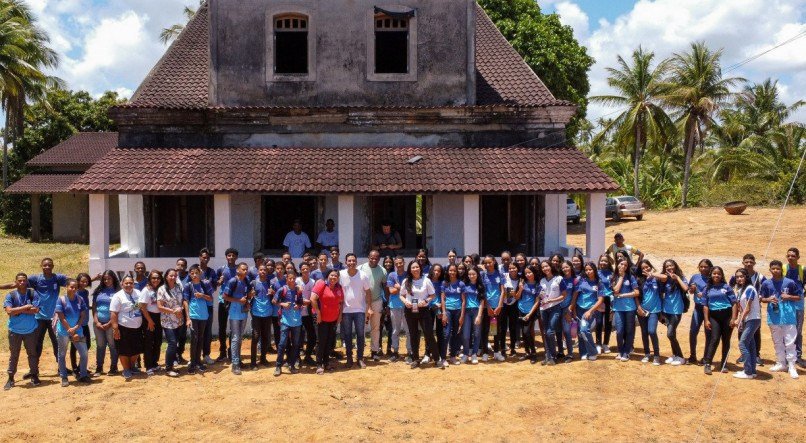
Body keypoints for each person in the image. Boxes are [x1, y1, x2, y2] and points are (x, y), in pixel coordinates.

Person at [0, 258, 68, 376]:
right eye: (45, 265)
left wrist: (92, 279)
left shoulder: (58, 278)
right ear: (41, 266)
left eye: (49, 265)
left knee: (57, 344)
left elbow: (76, 282)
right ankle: (33, 371)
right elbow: (14, 284)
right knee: (36, 345)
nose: (47, 267)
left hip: (54, 318)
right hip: (39, 317)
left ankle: (61, 368)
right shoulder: (35, 279)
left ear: (53, 266)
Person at [760, 260, 801, 379]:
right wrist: (769, 299)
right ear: (770, 270)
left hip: (788, 315)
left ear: (781, 270)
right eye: (773, 268)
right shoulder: (766, 283)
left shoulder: (790, 282)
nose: (775, 270)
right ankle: (781, 363)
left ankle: (792, 365)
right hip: (774, 314)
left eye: (777, 268)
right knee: (777, 340)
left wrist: (788, 296)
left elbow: (798, 296)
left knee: (790, 341)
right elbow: (762, 298)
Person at [399, 261, 441, 369]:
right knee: (413, 335)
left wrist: (426, 301)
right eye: (413, 267)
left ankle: (437, 359)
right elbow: (401, 295)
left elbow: (432, 294)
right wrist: (405, 302)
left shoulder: (426, 280)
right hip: (410, 310)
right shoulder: (406, 281)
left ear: (420, 268)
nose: (415, 269)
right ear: (410, 269)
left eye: (417, 267)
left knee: (429, 334)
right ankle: (415, 359)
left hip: (423, 310)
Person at [4, 273, 41, 390]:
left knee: (32, 354)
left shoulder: (32, 293)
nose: (22, 283)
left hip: (30, 330)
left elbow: (36, 310)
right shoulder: (11, 295)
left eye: (24, 280)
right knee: (14, 355)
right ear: (15, 282)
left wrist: (18, 310)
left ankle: (34, 375)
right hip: (15, 330)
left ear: (27, 281)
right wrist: (26, 307)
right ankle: (10, 378)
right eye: (19, 281)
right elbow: (9, 311)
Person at [729, 254, 765, 366]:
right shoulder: (736, 276)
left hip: (752, 309)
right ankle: (744, 354)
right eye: (746, 262)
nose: (748, 264)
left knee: (755, 332)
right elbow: (729, 288)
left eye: (751, 262)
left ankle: (756, 355)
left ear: (754, 263)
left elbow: (766, 288)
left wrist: (761, 297)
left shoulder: (760, 277)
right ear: (743, 262)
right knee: (742, 331)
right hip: (741, 307)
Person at [702, 266, 738, 375]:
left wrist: (733, 318)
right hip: (714, 316)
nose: (716, 275)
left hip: (726, 314)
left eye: (718, 274)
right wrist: (706, 320)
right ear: (711, 275)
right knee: (715, 338)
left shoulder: (726, 287)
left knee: (726, 340)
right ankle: (708, 363)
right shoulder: (707, 289)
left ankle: (724, 364)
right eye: (714, 273)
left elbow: (734, 303)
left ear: (721, 275)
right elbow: (705, 306)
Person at [339, 253, 373, 368]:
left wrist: (369, 308)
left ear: (356, 262)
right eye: (349, 261)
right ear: (345, 262)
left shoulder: (363, 275)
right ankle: (349, 358)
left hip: (360, 310)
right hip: (346, 310)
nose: (351, 263)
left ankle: (360, 358)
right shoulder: (341, 275)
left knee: (360, 335)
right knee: (347, 335)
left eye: (353, 261)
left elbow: (368, 292)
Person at [55, 279, 90, 386]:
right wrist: (70, 330)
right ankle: (64, 377)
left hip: (77, 330)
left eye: (75, 287)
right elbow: (61, 317)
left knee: (84, 353)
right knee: (62, 354)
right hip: (63, 331)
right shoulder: (61, 300)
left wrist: (76, 328)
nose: (73, 289)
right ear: (66, 287)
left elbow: (83, 315)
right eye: (71, 287)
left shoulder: (80, 299)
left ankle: (83, 375)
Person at [110, 276, 143, 381]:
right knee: (124, 350)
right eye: (126, 283)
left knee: (136, 349)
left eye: (131, 283)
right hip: (123, 327)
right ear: (122, 284)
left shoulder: (138, 293)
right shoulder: (118, 296)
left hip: (137, 327)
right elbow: (114, 313)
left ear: (133, 284)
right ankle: (126, 369)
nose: (129, 285)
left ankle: (132, 367)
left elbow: (143, 306)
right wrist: (115, 329)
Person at [311, 269, 344, 374]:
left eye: (336, 276)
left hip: (333, 319)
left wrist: (340, 316)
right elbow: (313, 299)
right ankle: (319, 364)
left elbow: (341, 303)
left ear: (338, 278)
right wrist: (318, 314)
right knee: (321, 341)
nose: (333, 277)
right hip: (321, 319)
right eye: (331, 275)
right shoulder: (321, 284)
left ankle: (326, 362)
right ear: (327, 276)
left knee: (329, 341)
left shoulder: (339, 287)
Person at [273, 269, 304, 376]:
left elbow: (301, 302)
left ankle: (291, 364)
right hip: (285, 321)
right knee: (282, 343)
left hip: (297, 321)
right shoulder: (282, 289)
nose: (292, 280)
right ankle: (278, 365)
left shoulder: (298, 290)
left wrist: (298, 305)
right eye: (290, 278)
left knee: (296, 344)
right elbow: (274, 301)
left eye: (294, 278)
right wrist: (283, 304)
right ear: (287, 279)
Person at [183, 265, 213, 374]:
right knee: (194, 338)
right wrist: (188, 318)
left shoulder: (205, 284)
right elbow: (185, 301)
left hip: (204, 315)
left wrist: (202, 295)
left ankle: (198, 361)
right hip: (193, 316)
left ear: (200, 273)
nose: (194, 275)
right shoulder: (188, 286)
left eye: (196, 273)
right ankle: (192, 362)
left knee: (201, 338)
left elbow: (210, 298)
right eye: (192, 273)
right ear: (189, 274)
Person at [223, 262, 252, 375]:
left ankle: (238, 360)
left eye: (246, 269)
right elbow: (224, 296)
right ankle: (235, 363)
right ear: (238, 270)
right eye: (243, 269)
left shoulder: (246, 280)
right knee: (235, 337)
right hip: (234, 312)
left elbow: (248, 294)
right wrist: (238, 301)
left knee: (240, 337)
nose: (245, 271)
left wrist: (249, 299)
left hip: (243, 312)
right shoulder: (232, 281)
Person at [572, 262, 604, 361]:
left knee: (584, 330)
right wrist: (573, 309)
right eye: (586, 270)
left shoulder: (599, 283)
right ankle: (583, 352)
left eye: (590, 269)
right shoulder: (581, 281)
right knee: (580, 332)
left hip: (591, 310)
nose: (588, 271)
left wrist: (590, 311)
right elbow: (575, 295)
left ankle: (592, 352)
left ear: (594, 270)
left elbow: (600, 300)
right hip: (579, 309)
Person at [359, 250, 387, 362]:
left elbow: (385, 288)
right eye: (372, 258)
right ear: (368, 257)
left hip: (376, 301)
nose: (373, 260)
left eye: (376, 258)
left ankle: (374, 351)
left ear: (379, 259)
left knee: (375, 328)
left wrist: (386, 303)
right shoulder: (360, 268)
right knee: (362, 328)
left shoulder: (383, 271)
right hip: (362, 302)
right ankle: (360, 351)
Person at [157, 269, 185, 377]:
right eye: (171, 276)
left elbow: (183, 302)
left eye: (174, 276)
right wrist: (174, 311)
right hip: (167, 320)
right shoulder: (162, 289)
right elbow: (160, 307)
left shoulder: (179, 288)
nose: (173, 277)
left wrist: (181, 309)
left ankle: (172, 365)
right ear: (166, 277)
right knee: (172, 343)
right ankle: (168, 368)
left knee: (176, 342)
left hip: (178, 320)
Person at [659, 259, 688, 366]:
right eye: (667, 266)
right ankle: (675, 355)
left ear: (675, 266)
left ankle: (681, 356)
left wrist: (677, 278)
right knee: (672, 334)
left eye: (671, 265)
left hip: (677, 310)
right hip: (666, 310)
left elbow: (686, 288)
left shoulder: (681, 277)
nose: (669, 268)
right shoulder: (665, 279)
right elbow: (661, 293)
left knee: (670, 334)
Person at [734, 269, 761, 379]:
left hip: (752, 319)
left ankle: (748, 371)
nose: (739, 279)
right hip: (749, 319)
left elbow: (748, 308)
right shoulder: (741, 290)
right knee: (750, 344)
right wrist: (741, 319)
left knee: (743, 344)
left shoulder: (750, 288)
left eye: (741, 276)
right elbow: (741, 308)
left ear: (746, 277)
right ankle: (753, 371)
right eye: (737, 277)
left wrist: (740, 320)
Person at [91, 270, 120, 376]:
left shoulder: (118, 292)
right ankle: (99, 368)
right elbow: (94, 308)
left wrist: (110, 323)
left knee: (112, 345)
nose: (107, 281)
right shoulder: (98, 291)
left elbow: (118, 310)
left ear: (114, 279)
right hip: (98, 323)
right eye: (105, 279)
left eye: (109, 279)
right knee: (100, 345)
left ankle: (114, 367)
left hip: (111, 323)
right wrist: (96, 321)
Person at [611, 259, 639, 362]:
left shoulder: (631, 277)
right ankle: (620, 351)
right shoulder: (613, 277)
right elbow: (616, 290)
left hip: (630, 308)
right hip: (618, 308)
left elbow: (636, 292)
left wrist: (622, 295)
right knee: (619, 331)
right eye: (621, 264)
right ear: (617, 264)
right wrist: (621, 277)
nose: (623, 266)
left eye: (626, 265)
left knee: (629, 330)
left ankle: (626, 352)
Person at [636, 260, 663, 365]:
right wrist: (639, 308)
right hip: (642, 310)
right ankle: (647, 353)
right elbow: (636, 296)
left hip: (654, 310)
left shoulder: (657, 279)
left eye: (647, 267)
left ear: (651, 267)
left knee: (652, 331)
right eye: (643, 268)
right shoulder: (639, 280)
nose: (645, 269)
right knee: (644, 332)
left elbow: (665, 277)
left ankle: (656, 355)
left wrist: (653, 274)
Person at [688, 259, 714, 365]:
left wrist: (704, 295)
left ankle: (706, 358)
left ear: (710, 268)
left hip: (709, 309)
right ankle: (692, 356)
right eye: (701, 266)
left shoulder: (713, 277)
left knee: (708, 333)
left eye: (705, 267)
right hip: (698, 308)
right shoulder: (695, 277)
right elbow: (690, 291)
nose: (703, 269)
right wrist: (692, 289)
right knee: (693, 331)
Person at [386, 256, 412, 362]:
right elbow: (391, 291)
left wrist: (398, 287)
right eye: (396, 263)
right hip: (394, 305)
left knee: (408, 330)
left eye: (400, 263)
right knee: (395, 330)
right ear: (394, 264)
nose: (399, 265)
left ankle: (410, 352)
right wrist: (401, 288)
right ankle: (395, 352)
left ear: (404, 263)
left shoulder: (408, 275)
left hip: (407, 305)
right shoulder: (391, 275)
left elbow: (410, 291)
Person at [539, 260, 565, 366]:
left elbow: (564, 295)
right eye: (543, 267)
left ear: (551, 266)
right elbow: (541, 294)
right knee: (546, 332)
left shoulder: (559, 279)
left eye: (547, 266)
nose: (545, 268)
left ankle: (553, 356)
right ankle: (548, 356)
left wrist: (552, 301)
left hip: (555, 307)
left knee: (550, 332)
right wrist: (541, 296)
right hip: (544, 309)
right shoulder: (541, 281)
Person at [216, 248, 239, 362]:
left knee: (233, 328)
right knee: (222, 327)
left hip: (234, 301)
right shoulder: (221, 269)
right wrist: (218, 282)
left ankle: (231, 352)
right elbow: (215, 283)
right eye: (229, 255)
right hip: (223, 301)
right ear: (226, 257)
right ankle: (222, 352)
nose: (231, 257)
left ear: (236, 257)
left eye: (233, 255)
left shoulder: (239, 269)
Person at [138, 270, 163, 376]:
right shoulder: (146, 290)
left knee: (158, 341)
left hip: (159, 317)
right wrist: (150, 321)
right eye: (153, 278)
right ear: (150, 279)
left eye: (157, 278)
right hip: (149, 317)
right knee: (149, 342)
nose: (155, 280)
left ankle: (154, 363)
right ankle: (148, 365)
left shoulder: (161, 289)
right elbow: (142, 307)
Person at [481, 255, 505, 362]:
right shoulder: (482, 274)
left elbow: (503, 291)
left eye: (489, 262)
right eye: (485, 263)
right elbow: (483, 291)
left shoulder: (499, 274)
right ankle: (485, 352)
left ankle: (496, 352)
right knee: (485, 329)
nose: (487, 264)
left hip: (497, 307)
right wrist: (488, 306)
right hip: (487, 307)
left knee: (495, 330)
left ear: (494, 261)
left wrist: (499, 306)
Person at [784, 247, 805, 368]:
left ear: (798, 257)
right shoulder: (783, 268)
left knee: (798, 329)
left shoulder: (802, 270)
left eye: (793, 256)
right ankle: (787, 355)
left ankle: (798, 356)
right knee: (785, 328)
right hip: (786, 301)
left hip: (798, 302)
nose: (790, 258)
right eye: (789, 256)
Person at [249, 264, 272, 370]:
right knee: (255, 336)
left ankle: (263, 358)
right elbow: (247, 296)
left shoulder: (270, 283)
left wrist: (273, 292)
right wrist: (250, 294)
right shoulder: (253, 283)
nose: (263, 271)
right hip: (256, 313)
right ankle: (253, 362)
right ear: (258, 271)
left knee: (266, 337)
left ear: (267, 272)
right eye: (261, 270)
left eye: (264, 270)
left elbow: (275, 296)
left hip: (268, 313)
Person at [441, 264, 465, 365]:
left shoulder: (461, 284)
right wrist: (444, 313)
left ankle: (453, 356)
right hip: (448, 311)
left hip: (458, 311)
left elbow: (463, 301)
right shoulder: (444, 283)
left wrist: (462, 316)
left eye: (454, 271)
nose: (452, 272)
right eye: (450, 270)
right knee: (446, 334)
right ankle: (443, 358)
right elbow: (443, 299)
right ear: (447, 272)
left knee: (456, 334)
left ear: (457, 272)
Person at [515, 265, 540, 363]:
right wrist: (520, 289)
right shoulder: (522, 283)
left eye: (530, 272)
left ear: (534, 273)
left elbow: (537, 302)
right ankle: (527, 352)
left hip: (531, 312)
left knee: (527, 332)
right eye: (526, 273)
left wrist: (529, 314)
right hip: (521, 310)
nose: (528, 275)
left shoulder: (538, 285)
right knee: (524, 333)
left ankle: (533, 353)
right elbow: (517, 297)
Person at [197, 248, 217, 366]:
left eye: (207, 258)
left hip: (208, 305)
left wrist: (205, 282)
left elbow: (213, 288)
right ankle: (195, 355)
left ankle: (206, 355)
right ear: (199, 257)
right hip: (197, 306)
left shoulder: (211, 272)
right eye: (203, 257)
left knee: (207, 331)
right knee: (197, 332)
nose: (205, 259)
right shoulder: (194, 269)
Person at [70, 273, 92, 376]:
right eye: (82, 281)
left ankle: (80, 367)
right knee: (74, 346)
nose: (84, 283)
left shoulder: (86, 292)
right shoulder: (75, 293)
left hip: (85, 323)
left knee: (87, 345)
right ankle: (74, 368)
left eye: (86, 281)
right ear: (78, 281)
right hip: (76, 324)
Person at [462, 267, 485, 364]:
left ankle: (474, 354)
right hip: (467, 311)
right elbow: (463, 300)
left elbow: (482, 302)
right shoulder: (464, 285)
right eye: (470, 274)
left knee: (477, 333)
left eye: (474, 274)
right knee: (466, 335)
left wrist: (479, 315)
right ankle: (466, 354)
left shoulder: (481, 286)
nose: (471, 276)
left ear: (477, 275)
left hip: (477, 311)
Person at [296, 262, 317, 366]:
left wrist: (308, 302)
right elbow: (293, 296)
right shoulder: (296, 281)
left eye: (306, 269)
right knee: (297, 336)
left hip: (308, 313)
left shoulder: (313, 282)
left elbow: (314, 296)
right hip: (297, 313)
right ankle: (297, 358)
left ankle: (308, 356)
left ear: (309, 270)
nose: (305, 270)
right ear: (300, 270)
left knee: (312, 336)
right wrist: (301, 301)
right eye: (303, 269)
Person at [558, 261, 576, 362]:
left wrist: (570, 309)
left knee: (567, 331)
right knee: (558, 331)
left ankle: (570, 354)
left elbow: (574, 296)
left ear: (571, 267)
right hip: (557, 307)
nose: (565, 269)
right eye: (563, 268)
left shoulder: (575, 280)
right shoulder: (560, 279)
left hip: (567, 308)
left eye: (567, 267)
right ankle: (561, 352)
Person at [595, 255, 614, 354]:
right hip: (599, 300)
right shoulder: (596, 273)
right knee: (598, 323)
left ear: (609, 263)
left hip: (609, 301)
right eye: (602, 261)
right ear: (599, 262)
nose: (603, 263)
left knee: (608, 323)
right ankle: (598, 344)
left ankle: (605, 344)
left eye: (606, 261)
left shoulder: (612, 273)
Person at [427, 264, 445, 367]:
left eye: (439, 271)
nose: (436, 272)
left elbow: (443, 297)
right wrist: (432, 304)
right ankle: (427, 353)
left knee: (440, 332)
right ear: (431, 271)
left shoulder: (442, 282)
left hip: (439, 309)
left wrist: (440, 306)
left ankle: (440, 355)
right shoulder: (427, 281)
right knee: (428, 332)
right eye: (435, 270)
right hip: (429, 308)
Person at [501, 263, 521, 357]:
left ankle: (513, 348)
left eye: (514, 268)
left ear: (517, 269)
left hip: (514, 305)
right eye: (510, 268)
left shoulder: (521, 279)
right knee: (503, 328)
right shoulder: (504, 276)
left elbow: (518, 295)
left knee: (513, 328)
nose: (512, 270)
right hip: (503, 304)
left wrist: (516, 292)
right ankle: (502, 349)